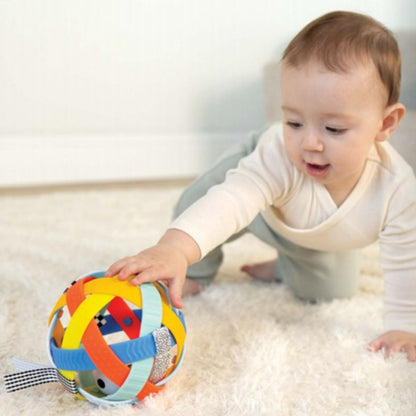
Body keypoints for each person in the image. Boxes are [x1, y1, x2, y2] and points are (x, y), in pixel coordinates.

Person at [106, 11, 416, 361]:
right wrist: (175, 250)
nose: (309, 143)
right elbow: (231, 200)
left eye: (333, 129)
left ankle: (286, 263)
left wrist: (403, 324)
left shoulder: (398, 189)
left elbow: (406, 259)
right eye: (294, 122)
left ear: (385, 123)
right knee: (200, 204)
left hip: (310, 232)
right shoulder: (279, 155)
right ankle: (197, 270)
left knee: (332, 290)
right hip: (255, 187)